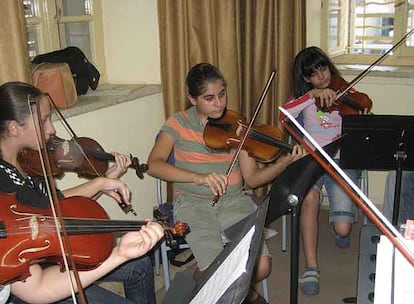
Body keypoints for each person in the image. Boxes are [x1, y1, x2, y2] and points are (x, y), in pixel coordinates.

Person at [147, 63, 305, 304]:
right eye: (209, 98)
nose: (219, 104)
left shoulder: (237, 125)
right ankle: (236, 292)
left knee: (261, 266)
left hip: (233, 201)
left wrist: (283, 163)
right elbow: (154, 165)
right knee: (220, 272)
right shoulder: (177, 123)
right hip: (193, 204)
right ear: (192, 98)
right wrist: (199, 177)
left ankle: (216, 286)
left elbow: (252, 179)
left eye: (222, 94)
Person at [0, 81, 164, 304]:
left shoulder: (28, 159)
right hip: (35, 267)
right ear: (13, 128)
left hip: (53, 246)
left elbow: (62, 207)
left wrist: (107, 180)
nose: (52, 130)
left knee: (140, 265)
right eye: (43, 121)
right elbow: (36, 285)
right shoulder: (4, 188)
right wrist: (100, 183)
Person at [281, 46, 370, 295]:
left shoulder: (345, 90)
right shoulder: (305, 98)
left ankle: (339, 227)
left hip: (341, 161)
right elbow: (284, 115)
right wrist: (312, 95)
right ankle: (311, 266)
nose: (322, 76)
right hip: (311, 161)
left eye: (323, 68)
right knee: (308, 198)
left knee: (343, 228)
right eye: (314, 73)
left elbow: (361, 110)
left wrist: (361, 116)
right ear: (306, 79)